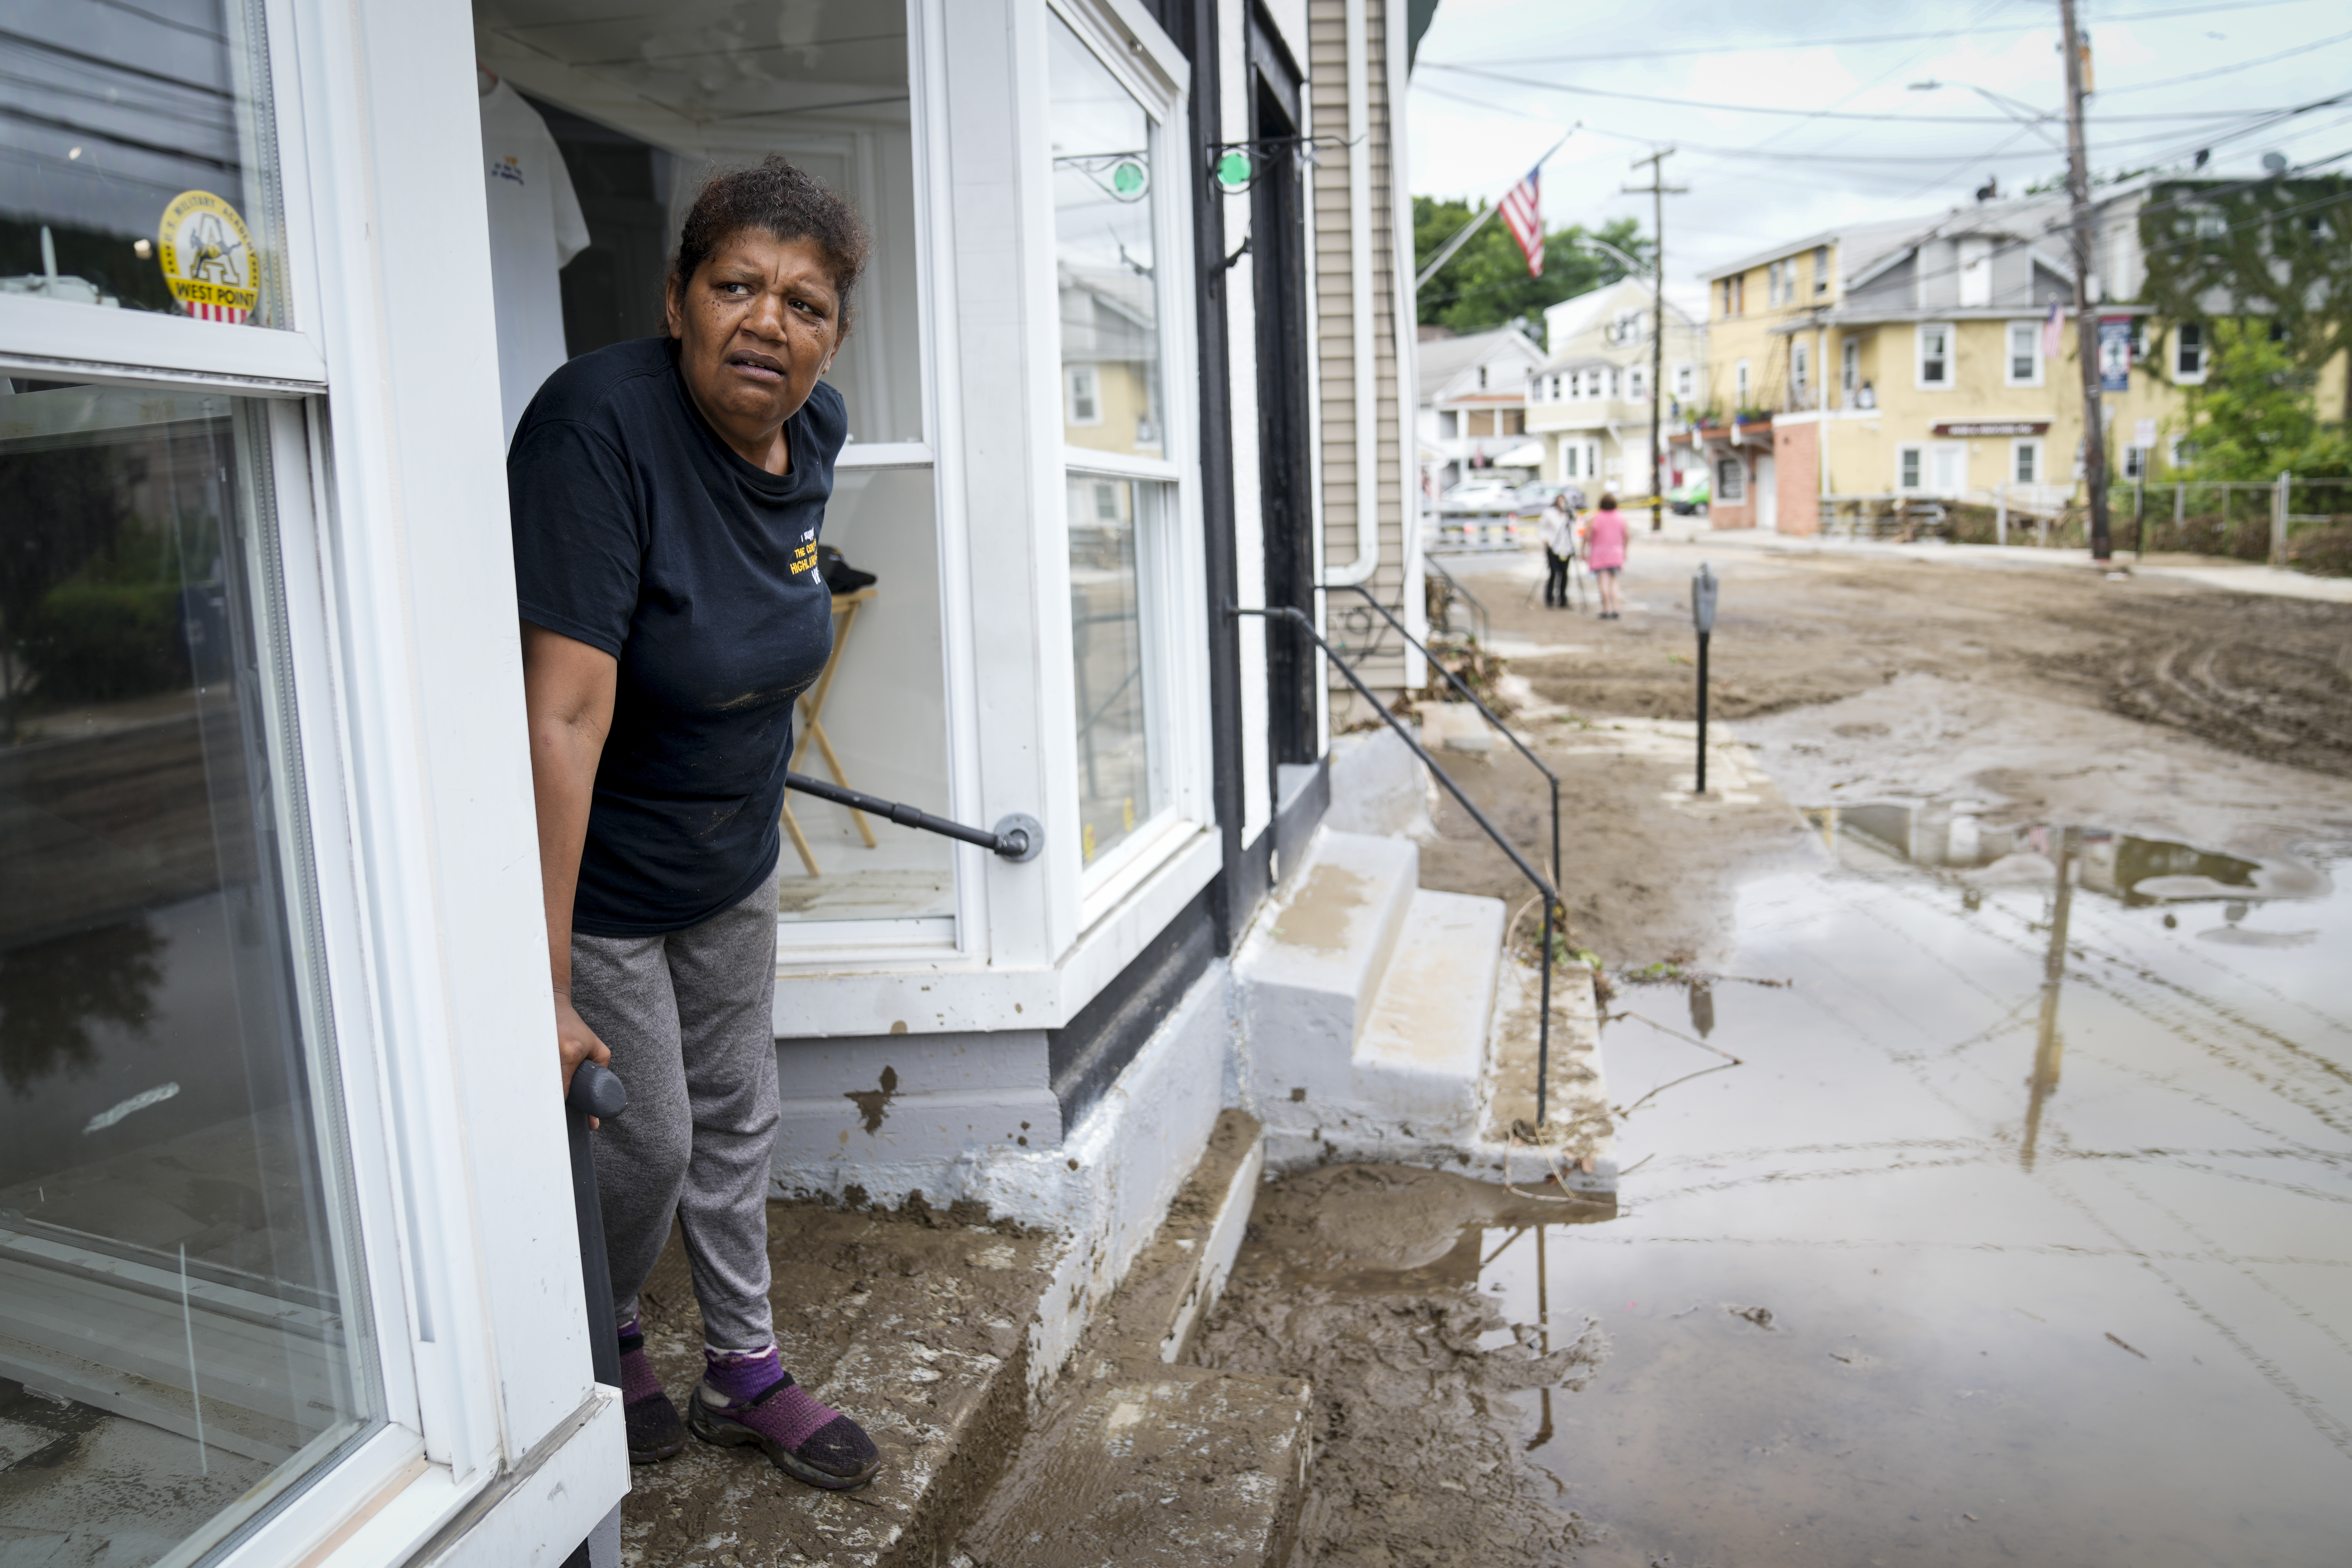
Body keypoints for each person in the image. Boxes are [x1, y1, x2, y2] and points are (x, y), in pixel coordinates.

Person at [511, 157, 883, 1492]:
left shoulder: (816, 432)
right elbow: (561, 713)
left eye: (804, 301)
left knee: (736, 1120)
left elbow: (763, 595)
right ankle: (602, 1329)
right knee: (645, 1136)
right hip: (606, 873)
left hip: (733, 853)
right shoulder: (594, 428)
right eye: (736, 286)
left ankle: (744, 1366)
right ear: (678, 299)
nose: (768, 321)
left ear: (832, 333)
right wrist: (545, 974)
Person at [1586, 491, 1630, 620]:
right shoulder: (1621, 517)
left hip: (1599, 554)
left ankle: (1606, 610)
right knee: (1614, 582)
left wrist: (1585, 550)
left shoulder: (1595, 518)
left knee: (1603, 582)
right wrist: (1624, 549)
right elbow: (1627, 535)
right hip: (1616, 553)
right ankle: (1617, 608)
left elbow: (1588, 536)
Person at [1540, 490, 1577, 609]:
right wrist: (1546, 541)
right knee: (1554, 573)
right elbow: (1541, 528)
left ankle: (1563, 598)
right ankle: (1549, 598)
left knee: (1565, 574)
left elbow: (1574, 529)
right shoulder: (1549, 514)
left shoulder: (1568, 516)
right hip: (1553, 547)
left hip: (1566, 548)